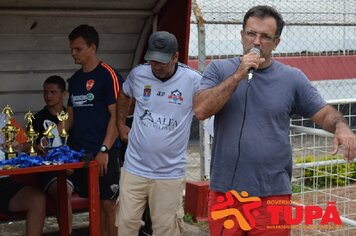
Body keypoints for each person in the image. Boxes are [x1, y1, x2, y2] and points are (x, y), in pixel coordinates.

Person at [193, 5, 356, 236]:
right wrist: (239, 74)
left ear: (276, 42)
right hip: (225, 194)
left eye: (265, 36)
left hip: (271, 195)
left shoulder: (292, 78)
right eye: (251, 34)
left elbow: (324, 113)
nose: (256, 42)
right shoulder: (220, 70)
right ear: (241, 35)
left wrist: (341, 127)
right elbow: (200, 110)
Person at [116, 31, 201, 236]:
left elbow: (210, 106)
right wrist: (120, 124)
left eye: (162, 61)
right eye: (153, 60)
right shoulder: (139, 74)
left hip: (169, 173)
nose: (156, 66)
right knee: (125, 224)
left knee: (165, 229)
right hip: (134, 168)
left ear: (175, 57)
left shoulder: (193, 80)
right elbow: (124, 93)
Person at [66, 24, 121, 236]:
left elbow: (116, 116)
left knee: (109, 205)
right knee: (94, 205)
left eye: (78, 49)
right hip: (81, 154)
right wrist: (49, 139)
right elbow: (69, 117)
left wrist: (105, 150)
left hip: (104, 153)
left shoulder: (108, 75)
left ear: (92, 47)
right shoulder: (76, 80)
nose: (73, 53)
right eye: (71, 49)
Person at [32, 75, 75, 234]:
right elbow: (37, 150)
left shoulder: (72, 116)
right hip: (50, 171)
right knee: (63, 192)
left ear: (64, 94)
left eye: (53, 92)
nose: (48, 96)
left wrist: (70, 164)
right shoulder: (37, 119)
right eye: (45, 92)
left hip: (75, 168)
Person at [0, 115, 46, 236]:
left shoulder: (5, 120)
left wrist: (19, 146)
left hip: (3, 181)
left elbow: (27, 144)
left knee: (37, 199)